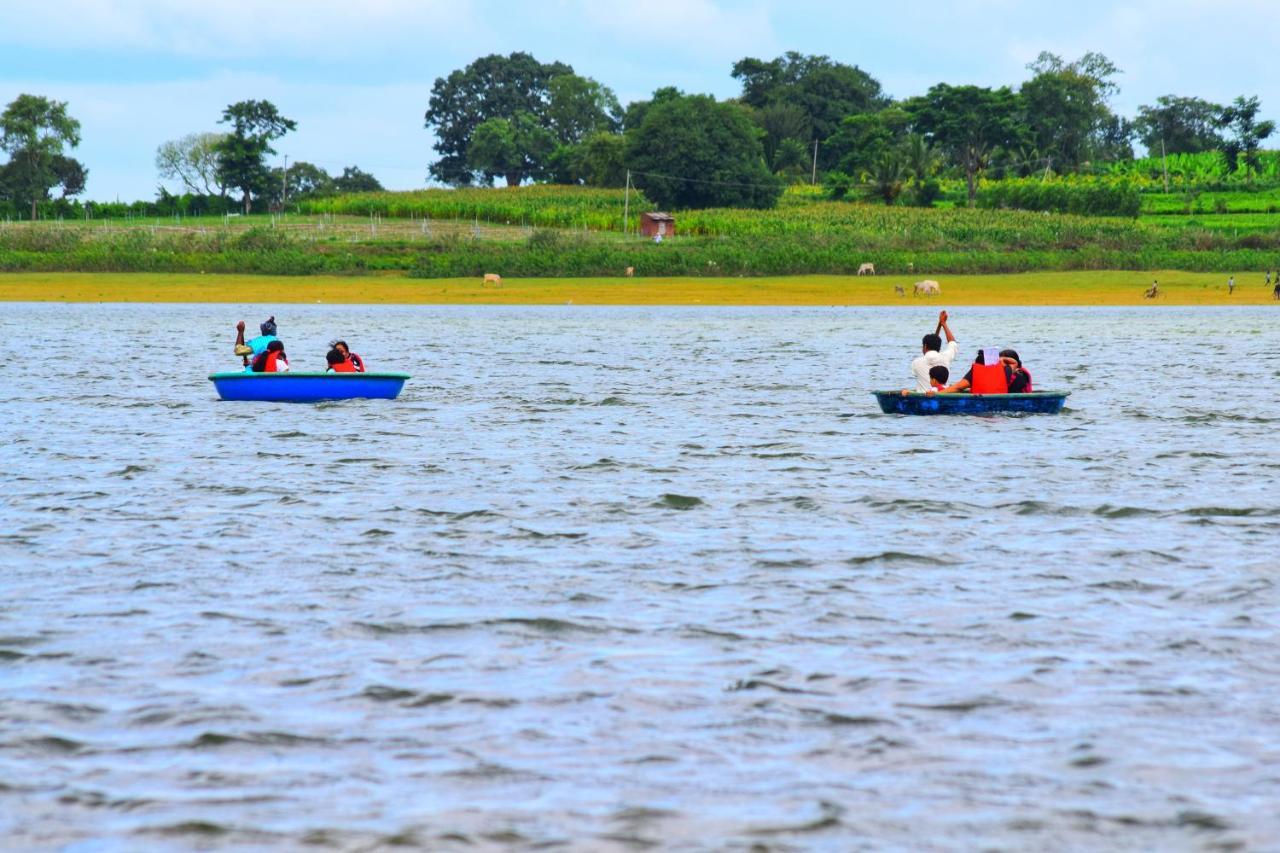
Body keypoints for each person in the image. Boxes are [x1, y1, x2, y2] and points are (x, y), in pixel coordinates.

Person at [910, 310, 958, 392]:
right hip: (942, 395)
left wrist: (940, 324)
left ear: (925, 346)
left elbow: (936, 341)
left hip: (924, 400)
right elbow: (952, 342)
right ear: (939, 347)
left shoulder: (916, 362)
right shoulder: (945, 357)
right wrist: (943, 324)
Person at [941, 347, 1013, 394]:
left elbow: (958, 387)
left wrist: (938, 393)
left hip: (980, 408)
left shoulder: (975, 371)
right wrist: (1002, 359)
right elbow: (1014, 362)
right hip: (999, 408)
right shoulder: (1006, 370)